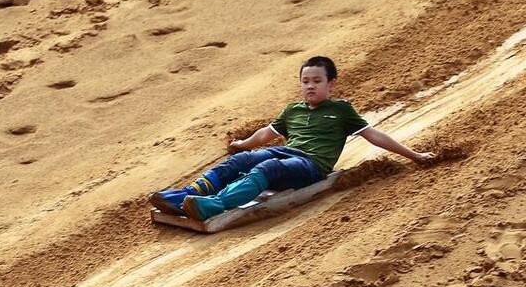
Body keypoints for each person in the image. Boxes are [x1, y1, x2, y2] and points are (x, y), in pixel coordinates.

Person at [150, 55, 434, 221]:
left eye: (317, 81)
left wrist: (415, 155)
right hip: (286, 153)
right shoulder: (293, 110)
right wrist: (242, 145)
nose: (310, 86)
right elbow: (266, 134)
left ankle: (215, 206)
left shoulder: (342, 110)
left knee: (266, 169)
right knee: (244, 160)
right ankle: (184, 197)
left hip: (310, 167)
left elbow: (375, 136)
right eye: (305, 81)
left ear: (331, 83)